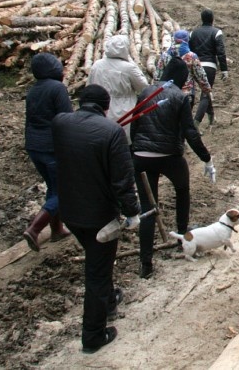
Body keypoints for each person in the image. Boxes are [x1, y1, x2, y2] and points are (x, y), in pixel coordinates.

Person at [53, 85, 139, 353]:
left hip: (70, 210)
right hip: (100, 215)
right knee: (97, 272)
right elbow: (123, 179)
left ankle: (109, 301)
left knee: (97, 260)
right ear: (106, 106)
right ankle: (93, 334)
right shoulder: (111, 132)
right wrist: (132, 211)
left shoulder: (61, 124)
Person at [130, 62, 214, 279]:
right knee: (183, 191)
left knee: (148, 208)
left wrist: (135, 151)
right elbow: (189, 131)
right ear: (184, 79)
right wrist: (206, 158)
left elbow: (134, 125)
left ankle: (145, 263)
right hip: (169, 156)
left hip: (141, 156)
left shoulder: (147, 92)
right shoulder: (180, 97)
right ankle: (182, 237)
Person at [22, 53, 73, 252]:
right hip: (52, 146)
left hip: (34, 146)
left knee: (53, 187)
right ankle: (35, 229)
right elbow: (66, 119)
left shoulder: (33, 90)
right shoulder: (57, 88)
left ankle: (57, 229)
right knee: (63, 189)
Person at [88, 34, 149, 138]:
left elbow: (89, 86)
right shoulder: (129, 68)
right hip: (124, 108)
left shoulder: (97, 65)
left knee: (103, 136)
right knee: (122, 138)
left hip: (99, 108)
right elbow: (143, 87)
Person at [189, 9, 229, 128]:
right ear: (212, 19)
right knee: (205, 93)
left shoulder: (193, 33)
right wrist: (224, 69)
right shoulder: (216, 32)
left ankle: (211, 117)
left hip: (195, 65)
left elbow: (190, 50)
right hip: (209, 66)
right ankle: (196, 122)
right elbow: (221, 52)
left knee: (205, 90)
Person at [155, 30, 211, 110]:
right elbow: (200, 75)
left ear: (174, 39)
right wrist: (207, 89)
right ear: (187, 40)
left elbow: (158, 76)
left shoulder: (165, 55)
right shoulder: (191, 56)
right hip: (185, 96)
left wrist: (156, 92)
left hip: (166, 95)